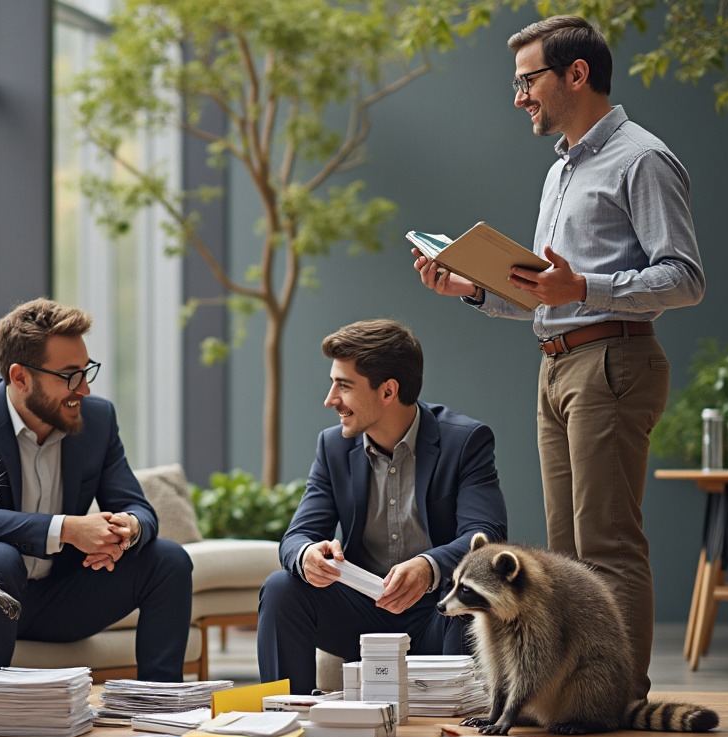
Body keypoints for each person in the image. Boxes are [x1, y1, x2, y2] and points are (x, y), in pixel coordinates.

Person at [411, 15, 705, 700]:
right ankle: (578, 694)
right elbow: (549, 299)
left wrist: (585, 286)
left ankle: (618, 695)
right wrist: (470, 289)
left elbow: (686, 278)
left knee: (608, 548)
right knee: (567, 559)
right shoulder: (562, 171)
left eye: (527, 80)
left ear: (577, 74)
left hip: (613, 363)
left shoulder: (641, 159)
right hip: (559, 364)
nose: (519, 97)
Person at [0, 298, 193, 684]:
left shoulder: (97, 419)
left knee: (168, 559)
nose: (83, 389)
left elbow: (137, 505)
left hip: (65, 597)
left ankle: (161, 704)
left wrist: (126, 528)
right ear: (20, 378)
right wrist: (67, 529)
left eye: (87, 373)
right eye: (70, 376)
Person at [257, 319, 508, 694]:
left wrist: (429, 567)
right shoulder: (333, 448)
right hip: (361, 618)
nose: (330, 399)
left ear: (388, 391)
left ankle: (459, 727)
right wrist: (308, 553)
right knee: (282, 588)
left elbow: (486, 537)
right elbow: (297, 536)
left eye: (343, 385)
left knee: (471, 598)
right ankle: (284, 715)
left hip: (439, 616)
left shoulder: (465, 441)